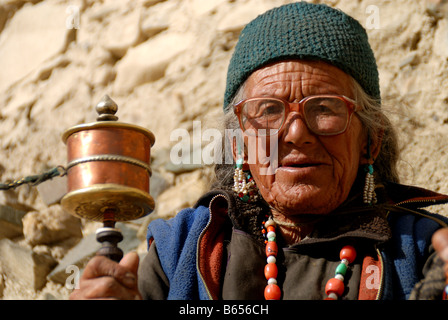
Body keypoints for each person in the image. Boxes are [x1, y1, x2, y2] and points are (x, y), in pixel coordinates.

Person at [70, 2, 448, 300]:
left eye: (325, 108)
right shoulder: (181, 250)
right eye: (269, 111)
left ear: (371, 140)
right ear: (238, 143)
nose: (297, 133)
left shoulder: (423, 252)